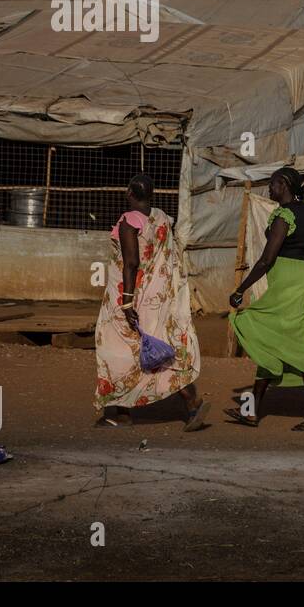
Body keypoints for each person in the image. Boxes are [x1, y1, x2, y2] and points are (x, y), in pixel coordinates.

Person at [226, 167, 304, 431]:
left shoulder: (283, 216)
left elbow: (267, 259)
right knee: (275, 341)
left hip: (289, 281)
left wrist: (241, 289)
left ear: (284, 184)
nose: (270, 189)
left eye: (273, 184)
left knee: (289, 339)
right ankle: (251, 411)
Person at [94, 174, 207, 431]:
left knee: (116, 349)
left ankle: (120, 413)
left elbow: (132, 263)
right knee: (155, 349)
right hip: (157, 298)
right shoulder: (162, 218)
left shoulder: (128, 221)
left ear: (129, 193)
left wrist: (127, 301)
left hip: (131, 296)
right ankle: (188, 403)